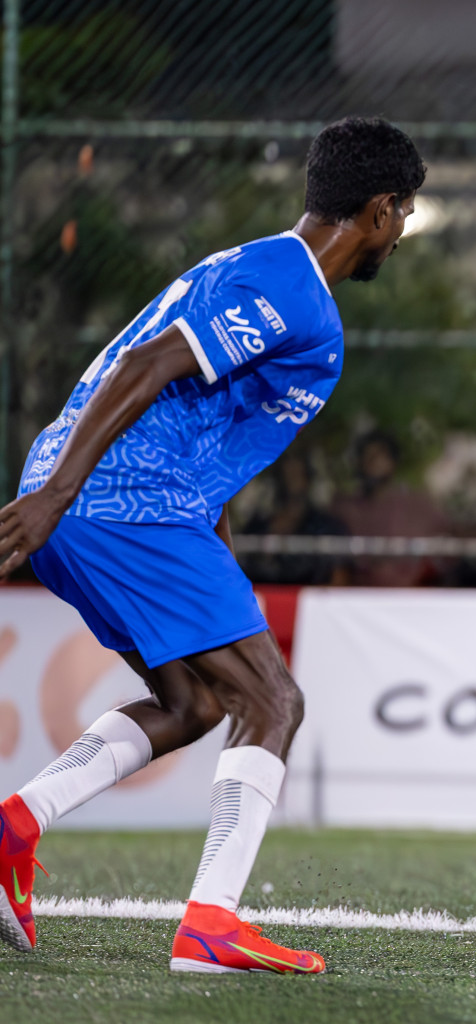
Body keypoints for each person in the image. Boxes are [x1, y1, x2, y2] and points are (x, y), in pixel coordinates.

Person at [0, 117, 425, 973]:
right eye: (405, 212)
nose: (404, 232)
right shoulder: (292, 288)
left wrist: (89, 500)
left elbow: (211, 432)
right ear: (380, 210)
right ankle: (210, 925)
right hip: (120, 498)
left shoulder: (258, 267)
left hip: (115, 498)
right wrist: (56, 496)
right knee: (274, 703)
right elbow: (147, 366)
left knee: (195, 703)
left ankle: (16, 825)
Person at [331, 429, 449, 586]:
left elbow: (443, 549)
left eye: (379, 457)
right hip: (356, 597)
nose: (372, 463)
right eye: (367, 457)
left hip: (406, 596)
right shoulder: (345, 506)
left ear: (393, 462)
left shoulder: (416, 504)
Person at [241, 450, 350, 586]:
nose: (292, 480)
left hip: (310, 604)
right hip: (261, 602)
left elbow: (339, 580)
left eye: (298, 474)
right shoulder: (258, 526)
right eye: (287, 475)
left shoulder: (326, 527)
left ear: (308, 478)